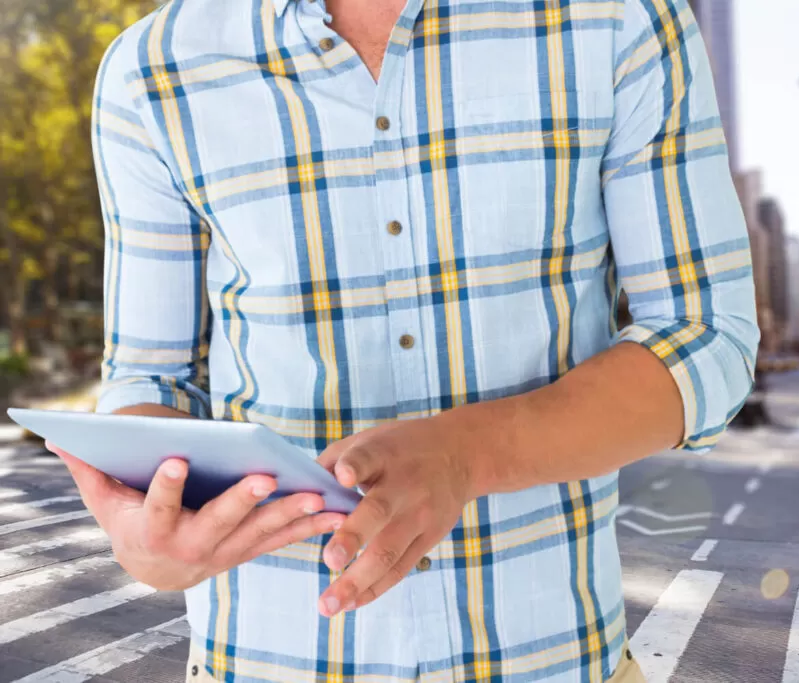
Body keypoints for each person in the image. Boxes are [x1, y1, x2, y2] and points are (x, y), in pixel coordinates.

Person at [59, 0, 758, 680]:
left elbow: (705, 337)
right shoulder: (152, 68)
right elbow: (150, 376)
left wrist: (468, 453)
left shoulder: (619, 18)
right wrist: (143, 528)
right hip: (259, 657)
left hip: (551, 660)